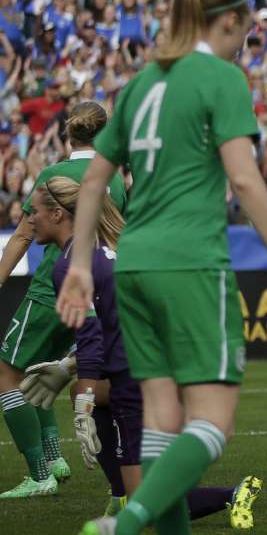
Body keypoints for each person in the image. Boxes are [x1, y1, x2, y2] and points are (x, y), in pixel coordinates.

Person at [57, 0, 267, 535]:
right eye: (247, 26)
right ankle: (129, 521)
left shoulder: (140, 85)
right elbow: (243, 176)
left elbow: (94, 182)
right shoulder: (223, 77)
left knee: (162, 423)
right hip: (189, 261)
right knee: (214, 424)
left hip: (132, 263)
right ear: (229, 22)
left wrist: (76, 267)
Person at [26, 177, 261, 527]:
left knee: (146, 499)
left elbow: (93, 334)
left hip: (139, 375)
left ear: (58, 214)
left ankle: (229, 493)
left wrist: (82, 403)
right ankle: (122, 487)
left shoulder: (70, 265)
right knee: (142, 491)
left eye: (33, 212)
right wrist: (71, 370)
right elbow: (117, 323)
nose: (29, 220)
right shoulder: (112, 244)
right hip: (167, 362)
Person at [0, 101, 127, 498]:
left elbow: (22, 235)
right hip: (94, 288)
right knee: (40, 373)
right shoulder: (116, 179)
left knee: (7, 377)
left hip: (50, 290)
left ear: (66, 134)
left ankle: (40, 474)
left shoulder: (54, 175)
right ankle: (54, 457)